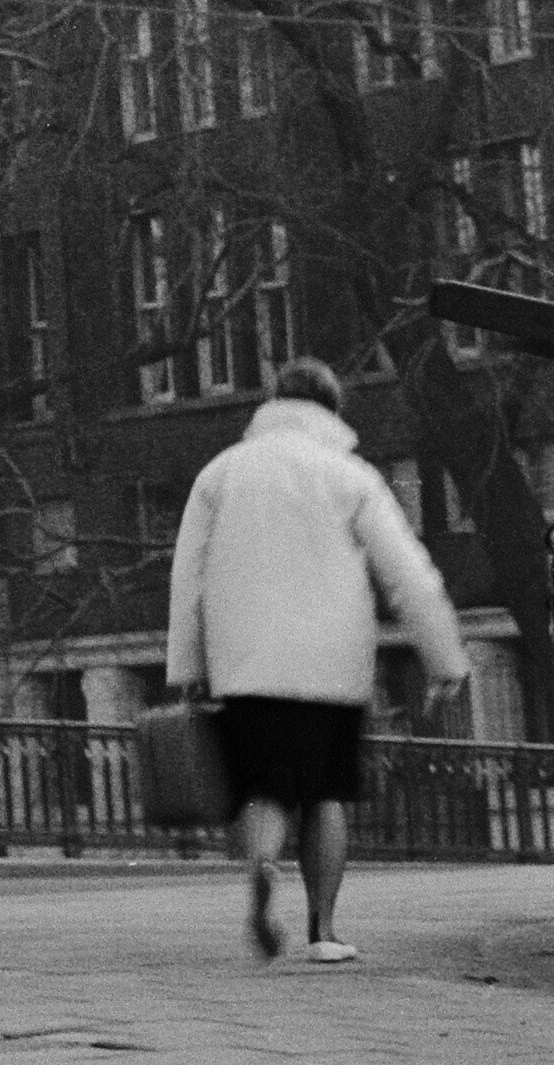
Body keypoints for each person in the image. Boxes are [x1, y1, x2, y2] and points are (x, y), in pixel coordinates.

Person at [166, 354, 471, 964]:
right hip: (330, 664)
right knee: (325, 793)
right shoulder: (350, 474)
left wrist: (188, 667)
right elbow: (407, 571)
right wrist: (444, 658)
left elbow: (188, 576)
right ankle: (324, 932)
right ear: (333, 408)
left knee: (268, 786)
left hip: (246, 663)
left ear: (273, 403)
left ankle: (262, 864)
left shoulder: (220, 473)